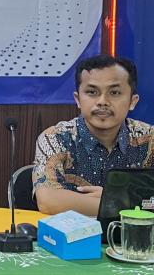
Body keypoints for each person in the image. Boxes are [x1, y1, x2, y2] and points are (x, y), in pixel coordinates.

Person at [33, 55, 154, 216]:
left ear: (132, 101)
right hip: (74, 232)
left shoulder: (149, 138)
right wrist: (124, 202)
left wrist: (109, 200)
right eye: (92, 92)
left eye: (115, 92)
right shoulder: (56, 138)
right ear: (78, 99)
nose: (102, 101)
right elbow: (48, 201)